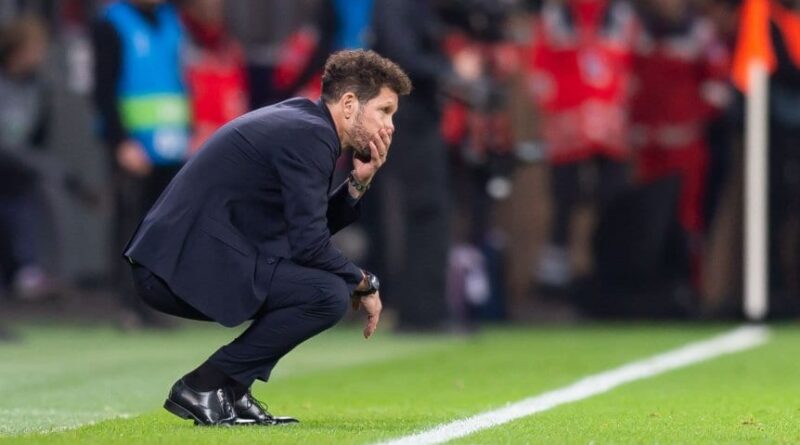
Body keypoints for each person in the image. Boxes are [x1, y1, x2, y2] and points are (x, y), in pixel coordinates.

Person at [124, 50, 411, 425]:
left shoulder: (306, 125)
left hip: (183, 258)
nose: (390, 126)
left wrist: (358, 182)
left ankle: (230, 388)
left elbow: (306, 230)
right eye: (385, 111)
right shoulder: (311, 135)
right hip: (176, 265)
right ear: (348, 104)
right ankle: (205, 385)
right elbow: (309, 246)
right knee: (326, 294)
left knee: (321, 288)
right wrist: (364, 281)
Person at [92, 0, 191, 328]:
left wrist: (189, 130)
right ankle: (127, 304)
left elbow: (179, 78)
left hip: (171, 143)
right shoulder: (112, 23)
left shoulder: (171, 20)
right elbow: (103, 87)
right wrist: (121, 141)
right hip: (134, 144)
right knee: (130, 224)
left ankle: (155, 302)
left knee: (163, 227)